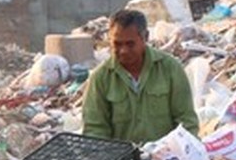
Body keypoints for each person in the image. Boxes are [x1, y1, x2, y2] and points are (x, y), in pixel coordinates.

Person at [82, 8, 199, 143]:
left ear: (146, 37)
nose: (123, 51)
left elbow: (186, 121)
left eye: (130, 44)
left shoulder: (170, 69)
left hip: (166, 158)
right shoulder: (101, 78)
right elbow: (95, 130)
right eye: (117, 44)